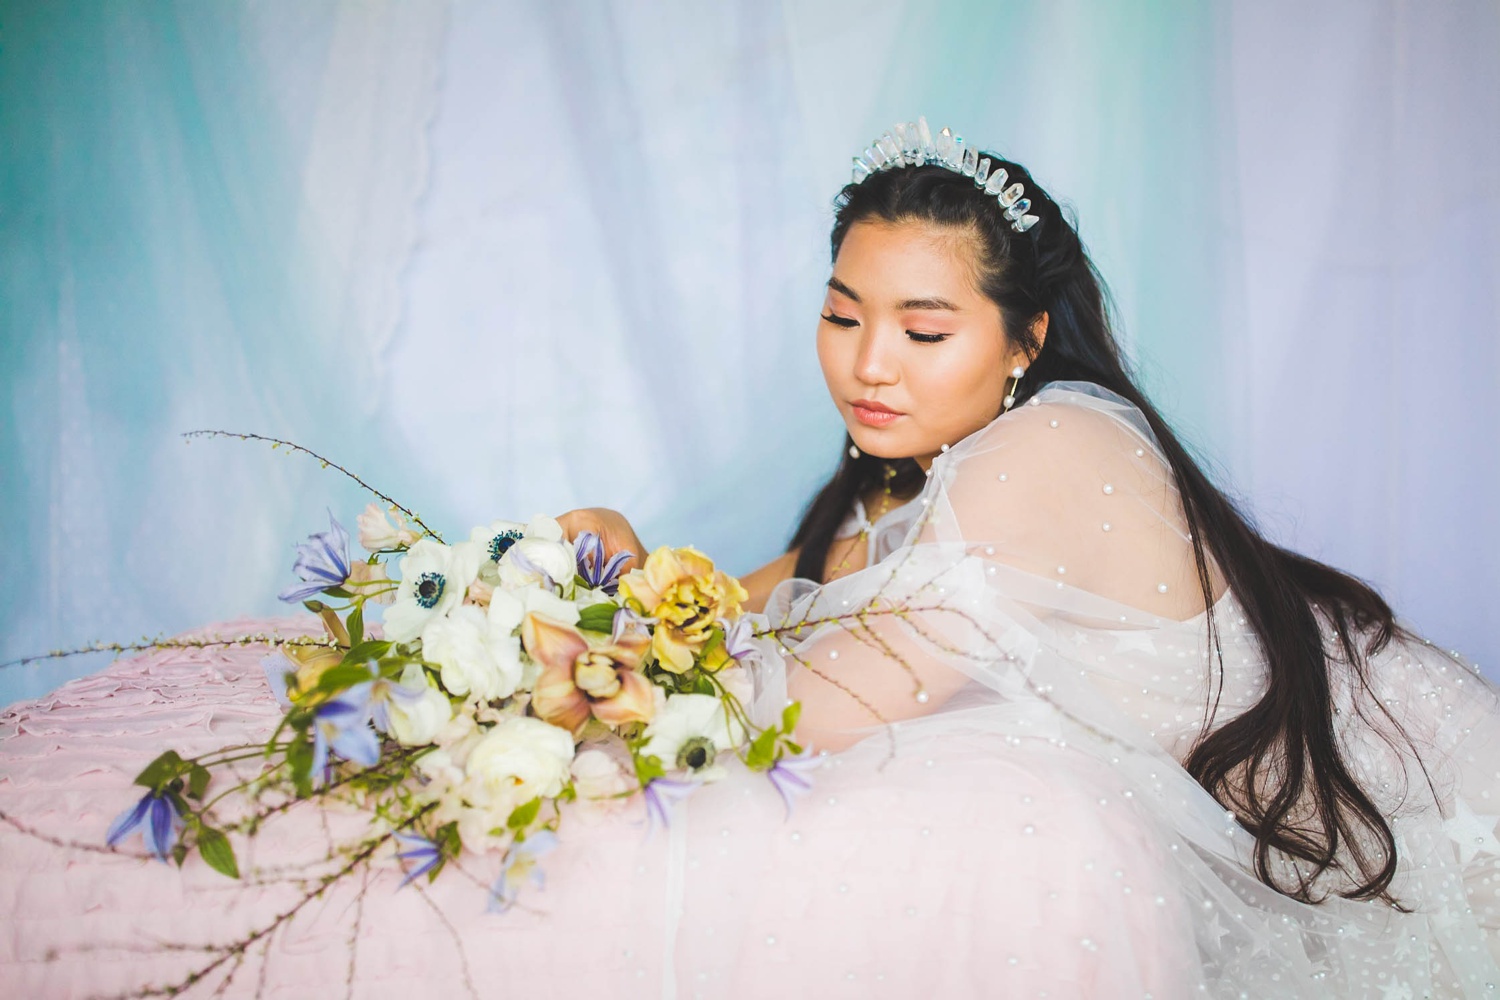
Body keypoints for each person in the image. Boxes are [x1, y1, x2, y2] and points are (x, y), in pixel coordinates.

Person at [2, 118, 1497, 999]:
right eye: (843, 313)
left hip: (1410, 814)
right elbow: (748, 604)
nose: (868, 363)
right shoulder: (892, 480)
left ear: (1027, 339)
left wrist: (582, 680)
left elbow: (811, 699)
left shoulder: (1059, 444)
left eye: (924, 329)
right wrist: (605, 563)